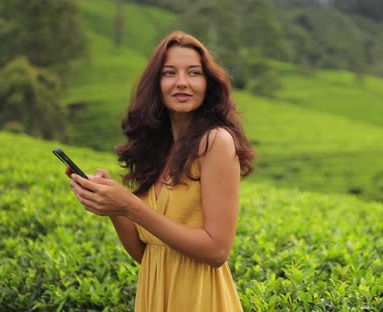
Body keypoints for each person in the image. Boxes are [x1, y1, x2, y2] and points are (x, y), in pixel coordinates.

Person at [67, 31, 254, 311]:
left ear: (207, 83)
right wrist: (113, 207)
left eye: (193, 73)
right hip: (156, 296)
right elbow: (147, 253)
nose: (181, 83)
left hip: (200, 300)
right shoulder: (158, 152)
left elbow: (217, 250)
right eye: (169, 73)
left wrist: (129, 205)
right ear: (157, 84)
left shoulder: (215, 142)